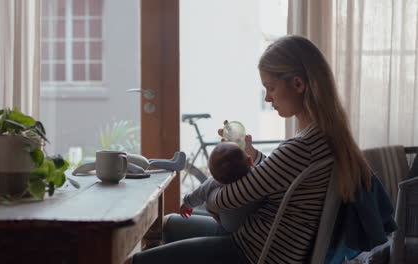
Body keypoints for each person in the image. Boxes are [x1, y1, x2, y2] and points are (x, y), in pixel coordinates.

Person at [131, 35, 372, 264]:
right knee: (169, 224)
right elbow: (280, 178)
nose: (267, 98)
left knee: (138, 260)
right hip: (259, 242)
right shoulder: (321, 138)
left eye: (271, 87)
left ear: (298, 84)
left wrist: (215, 184)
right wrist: (253, 157)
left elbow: (226, 200)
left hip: (253, 253)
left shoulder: (302, 147)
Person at [180, 141, 261, 232]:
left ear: (216, 179)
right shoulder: (257, 178)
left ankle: (219, 222)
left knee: (211, 207)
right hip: (253, 222)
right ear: (250, 161)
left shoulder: (214, 182)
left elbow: (199, 193)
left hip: (229, 226)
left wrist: (187, 204)